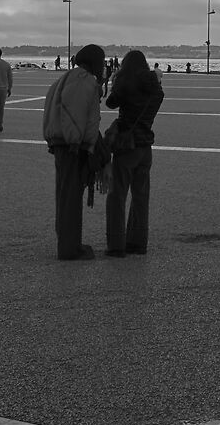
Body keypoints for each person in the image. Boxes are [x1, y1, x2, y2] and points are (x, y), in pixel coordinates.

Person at [41, 43, 106, 261]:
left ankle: (69, 242)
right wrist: (81, 144)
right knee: (70, 197)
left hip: (61, 144)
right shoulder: (84, 81)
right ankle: (69, 248)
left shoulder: (64, 78)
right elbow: (76, 113)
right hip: (72, 147)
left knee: (65, 194)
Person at [103, 49, 164, 256]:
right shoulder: (154, 89)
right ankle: (138, 243)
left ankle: (116, 244)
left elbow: (110, 103)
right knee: (141, 195)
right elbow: (158, 95)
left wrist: (115, 80)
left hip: (127, 146)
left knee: (117, 195)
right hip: (145, 145)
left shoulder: (126, 84)